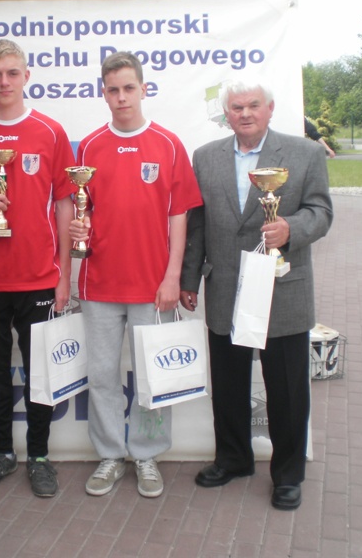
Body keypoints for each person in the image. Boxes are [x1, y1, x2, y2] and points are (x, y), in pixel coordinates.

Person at [181, 80, 333, 510]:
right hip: (226, 287)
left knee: (286, 389)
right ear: (226, 114)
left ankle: (288, 475)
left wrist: (291, 229)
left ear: (270, 109)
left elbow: (322, 211)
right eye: (236, 107)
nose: (245, 113)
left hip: (282, 288)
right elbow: (197, 223)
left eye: (253, 105)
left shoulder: (304, 153)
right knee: (228, 385)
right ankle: (233, 459)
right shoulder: (205, 157)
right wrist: (189, 278)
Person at [69, 51, 202, 498]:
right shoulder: (89, 147)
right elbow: (82, 209)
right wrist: (79, 228)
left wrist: (172, 277)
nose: (121, 97)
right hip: (99, 284)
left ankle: (146, 454)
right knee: (102, 375)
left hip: (153, 287)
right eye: (113, 89)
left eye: (129, 88)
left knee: (152, 377)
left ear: (144, 89)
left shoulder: (168, 144)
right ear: (103, 93)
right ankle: (110, 454)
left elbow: (179, 217)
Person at [0, 39, 74, 498]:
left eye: (12, 72)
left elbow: (64, 205)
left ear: (26, 76)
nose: (4, 82)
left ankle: (39, 455)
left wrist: (64, 275)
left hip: (40, 276)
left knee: (41, 371)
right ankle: (1, 452)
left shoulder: (50, 132)